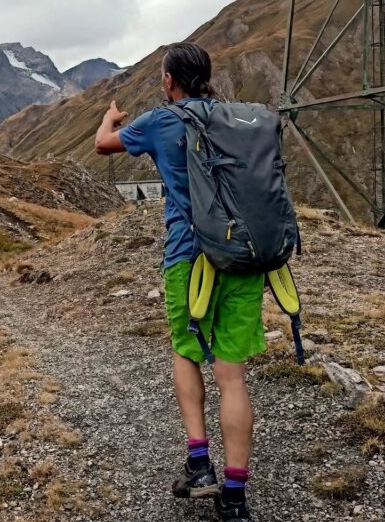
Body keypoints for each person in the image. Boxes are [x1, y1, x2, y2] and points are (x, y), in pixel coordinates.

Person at [94, 42, 263, 521]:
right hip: (245, 256)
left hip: (189, 256)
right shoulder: (238, 117)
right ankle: (235, 498)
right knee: (233, 375)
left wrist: (111, 116)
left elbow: (102, 144)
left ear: (169, 81)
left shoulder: (160, 121)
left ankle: (199, 465)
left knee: (187, 352)